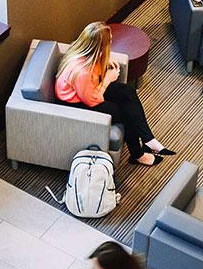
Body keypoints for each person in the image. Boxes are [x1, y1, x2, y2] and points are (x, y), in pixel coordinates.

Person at [55, 22, 175, 166]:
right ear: (98, 47)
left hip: (87, 89)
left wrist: (106, 60)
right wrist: (107, 79)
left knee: (127, 91)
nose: (112, 42)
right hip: (78, 103)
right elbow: (93, 100)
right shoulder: (82, 72)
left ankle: (148, 139)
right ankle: (138, 154)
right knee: (125, 113)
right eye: (109, 41)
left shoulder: (84, 50)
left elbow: (93, 73)